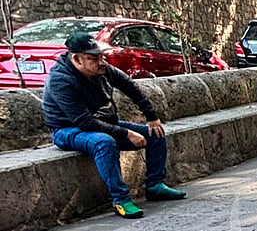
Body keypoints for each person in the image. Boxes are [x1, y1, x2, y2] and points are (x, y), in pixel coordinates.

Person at [42, 32, 186, 219]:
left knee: (155, 133)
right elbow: (84, 122)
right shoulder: (60, 81)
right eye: (94, 58)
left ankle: (155, 185)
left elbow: (130, 86)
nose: (101, 62)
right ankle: (120, 199)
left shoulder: (101, 69)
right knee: (104, 142)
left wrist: (151, 116)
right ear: (77, 59)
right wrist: (126, 133)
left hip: (102, 122)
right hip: (67, 130)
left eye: (101, 56)